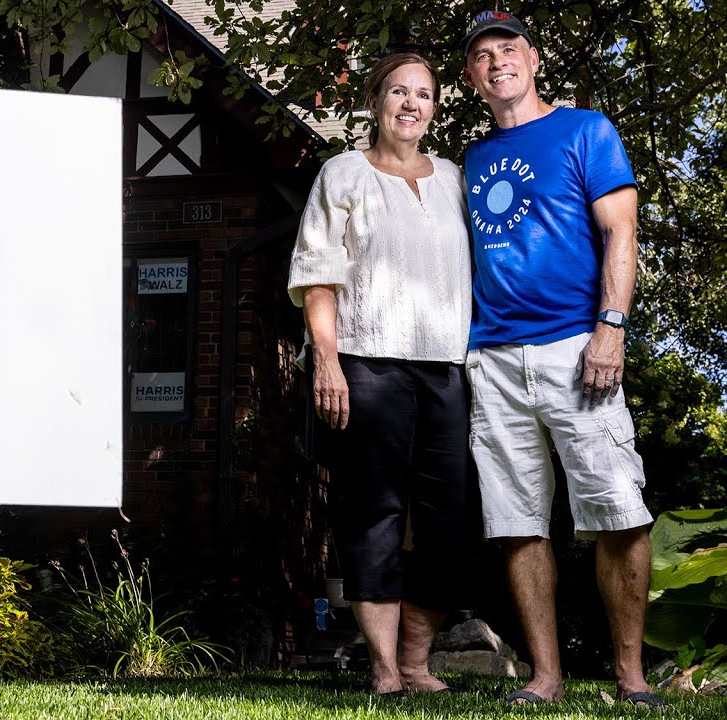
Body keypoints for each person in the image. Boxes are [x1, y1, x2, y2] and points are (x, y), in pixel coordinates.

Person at [459, 10, 665, 708]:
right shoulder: (474, 160)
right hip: (491, 358)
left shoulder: (586, 130)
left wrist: (611, 327)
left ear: (534, 59)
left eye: (508, 48)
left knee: (617, 509)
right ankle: (546, 678)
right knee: (517, 520)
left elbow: (621, 228)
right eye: (482, 56)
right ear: (469, 77)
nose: (497, 62)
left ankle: (630, 675)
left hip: (576, 347)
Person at [288, 53, 472, 696]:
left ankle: (420, 662)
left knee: (448, 517)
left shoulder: (453, 178)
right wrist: (328, 361)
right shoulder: (342, 173)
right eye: (399, 91)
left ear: (435, 108)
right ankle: (387, 668)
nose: (410, 104)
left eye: (424, 94)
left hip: (445, 368)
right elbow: (317, 273)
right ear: (375, 100)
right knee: (373, 514)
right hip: (367, 362)